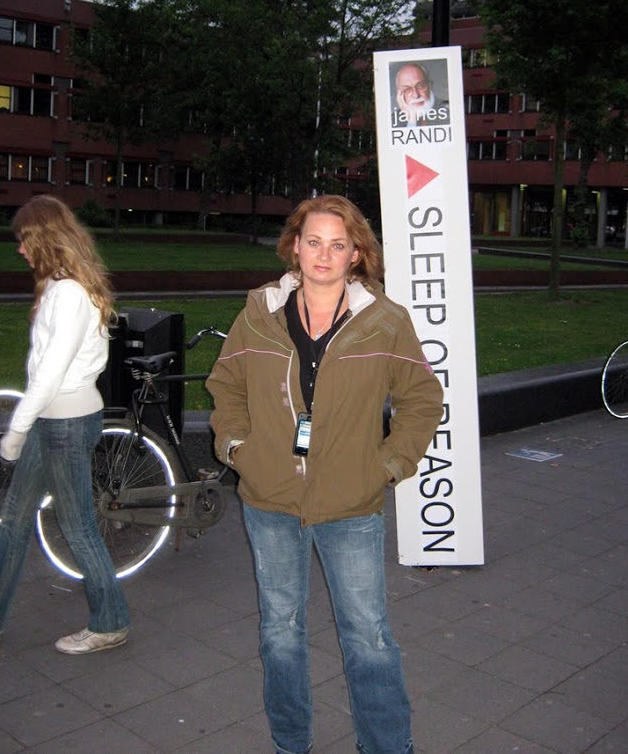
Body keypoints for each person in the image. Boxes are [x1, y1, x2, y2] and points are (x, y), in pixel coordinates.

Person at [206, 194, 443, 754]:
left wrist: (387, 465)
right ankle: (291, 743)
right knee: (280, 632)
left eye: (338, 245)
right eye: (313, 241)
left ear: (356, 254)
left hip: (350, 504)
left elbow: (422, 400)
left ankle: (387, 746)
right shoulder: (259, 314)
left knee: (368, 637)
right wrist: (236, 446)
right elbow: (226, 385)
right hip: (269, 499)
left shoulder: (384, 321)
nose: (324, 254)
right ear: (294, 246)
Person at [0, 195, 130, 655]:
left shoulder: (70, 294)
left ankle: (111, 621)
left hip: (65, 423)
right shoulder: (62, 287)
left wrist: (15, 431)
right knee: (15, 520)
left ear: (45, 239)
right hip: (52, 419)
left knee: (77, 527)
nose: (20, 249)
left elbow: (49, 375)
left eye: (25, 241)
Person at [393, 61, 437, 126]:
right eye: (407, 90)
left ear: (430, 86)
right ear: (399, 95)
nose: (416, 95)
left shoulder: (447, 112)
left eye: (420, 86)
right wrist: (412, 120)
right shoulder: (393, 122)